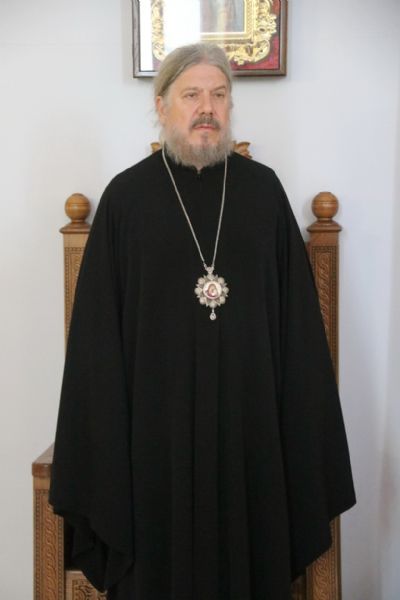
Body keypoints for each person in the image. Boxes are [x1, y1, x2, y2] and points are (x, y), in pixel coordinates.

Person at [49, 43, 356, 600]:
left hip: (250, 432)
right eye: (191, 95)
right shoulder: (126, 200)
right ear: (162, 106)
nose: (207, 108)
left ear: (230, 106)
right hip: (151, 443)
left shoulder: (263, 192)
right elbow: (96, 343)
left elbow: (299, 335)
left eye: (219, 95)